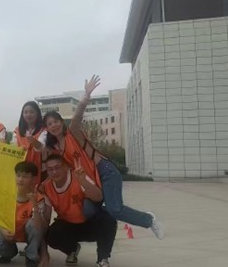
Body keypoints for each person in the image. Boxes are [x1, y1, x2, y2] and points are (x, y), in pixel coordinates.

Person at [41, 76, 164, 239]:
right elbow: (47, 160)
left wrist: (86, 95)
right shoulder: (56, 149)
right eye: (49, 124)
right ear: (47, 129)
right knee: (87, 210)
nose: (54, 125)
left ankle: (149, 220)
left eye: (56, 121)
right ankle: (103, 226)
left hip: (104, 171)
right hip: (90, 182)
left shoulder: (73, 132)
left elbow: (78, 115)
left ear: (62, 122)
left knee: (115, 209)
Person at [39, 154, 117, 267]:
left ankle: (103, 259)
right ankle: (72, 249)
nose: (54, 172)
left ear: (66, 167)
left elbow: (98, 197)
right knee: (51, 235)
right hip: (68, 225)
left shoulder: (78, 176)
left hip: (88, 223)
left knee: (108, 218)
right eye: (50, 169)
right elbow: (46, 219)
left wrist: (83, 182)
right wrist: (44, 252)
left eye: (57, 167)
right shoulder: (46, 187)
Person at [0, 161, 49, 267]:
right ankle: (10, 253)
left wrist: (35, 206)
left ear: (33, 179)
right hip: (10, 231)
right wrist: (2, 229)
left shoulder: (39, 198)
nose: (20, 179)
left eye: (25, 176)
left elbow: (39, 227)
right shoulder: (6, 194)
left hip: (28, 232)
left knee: (33, 224)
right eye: (18, 175)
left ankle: (31, 256)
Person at [12, 101, 47, 183]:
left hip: (40, 169)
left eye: (31, 112)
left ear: (37, 114)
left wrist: (34, 142)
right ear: (22, 115)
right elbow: (13, 146)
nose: (28, 115)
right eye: (25, 112)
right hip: (22, 170)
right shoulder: (17, 130)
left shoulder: (43, 130)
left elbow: (42, 147)